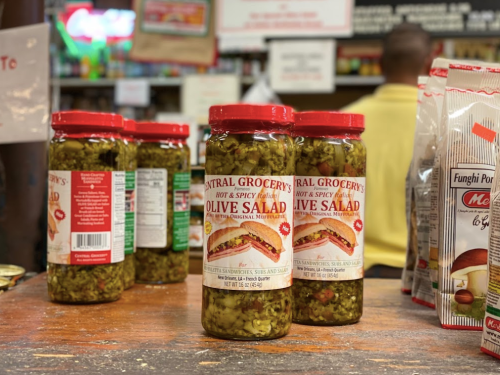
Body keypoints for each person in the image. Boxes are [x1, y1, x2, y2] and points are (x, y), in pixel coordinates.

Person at [342, 23, 433, 278]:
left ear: (381, 64)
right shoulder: (445, 123)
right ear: (430, 64)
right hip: (423, 275)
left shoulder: (344, 124)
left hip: (355, 269)